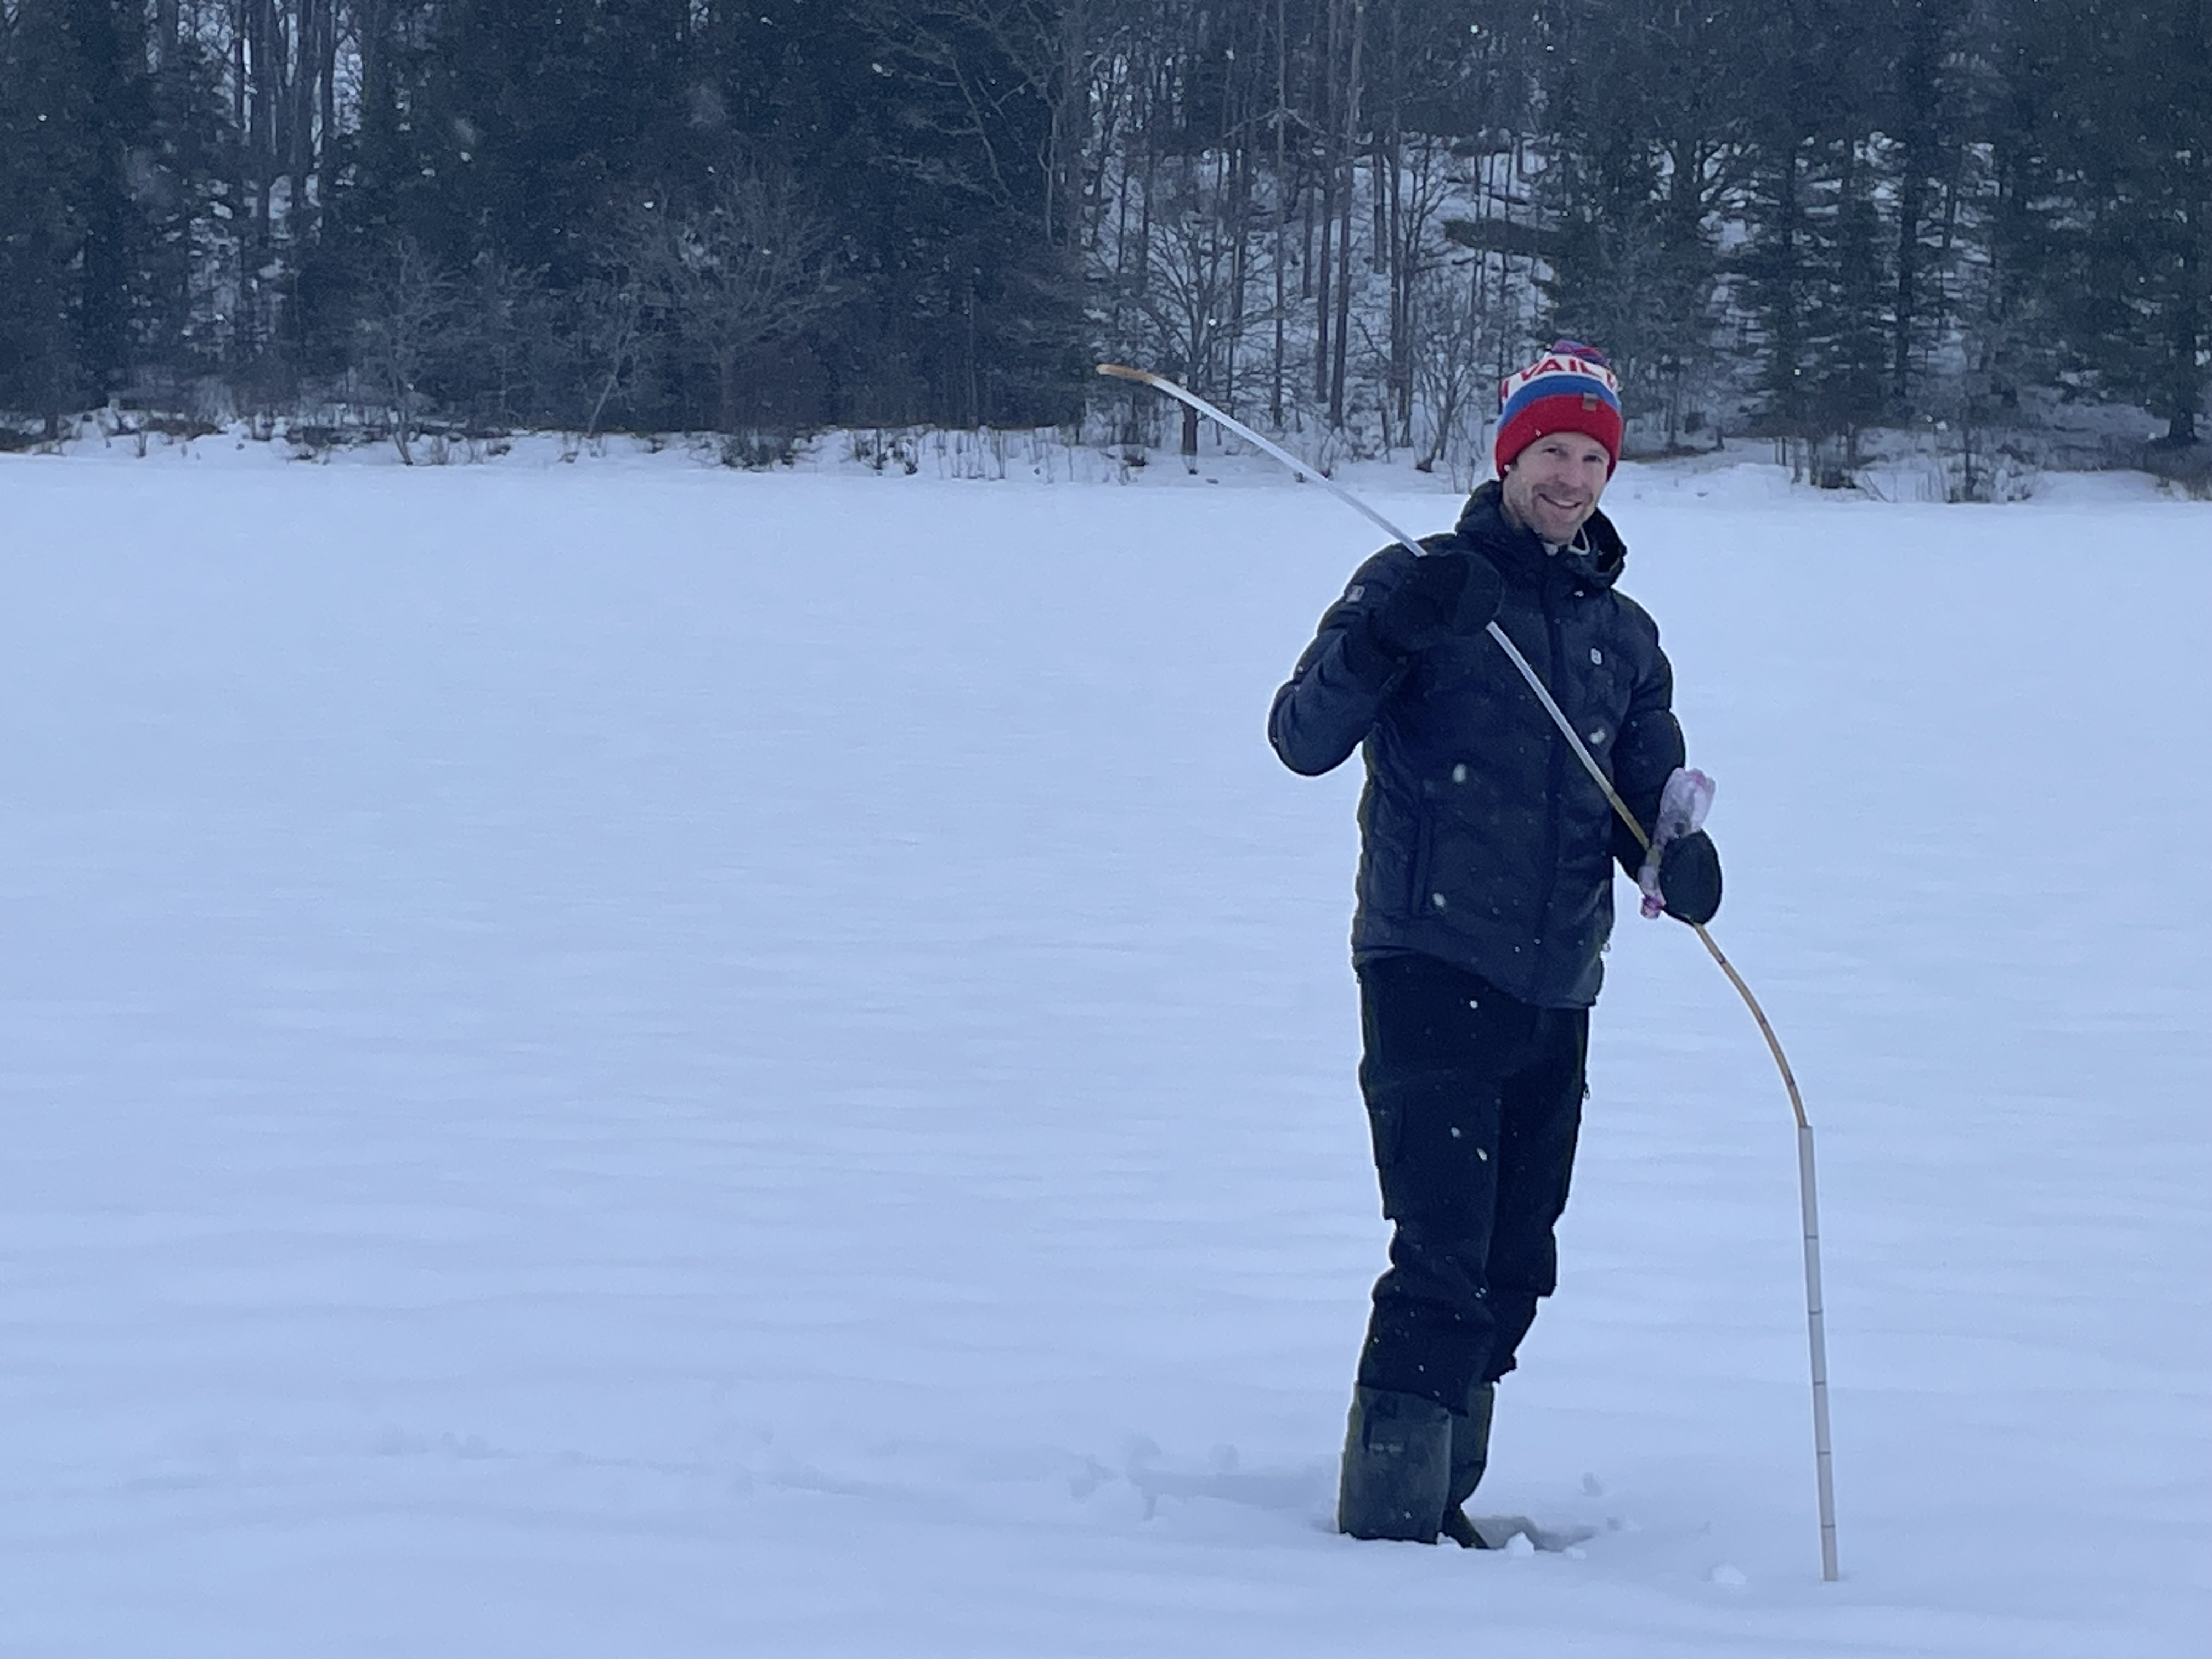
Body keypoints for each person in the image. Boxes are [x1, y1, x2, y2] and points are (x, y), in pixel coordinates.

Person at [1267, 342, 1723, 1545]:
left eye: (1593, 457)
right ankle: (1391, 1523)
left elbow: (1644, 796)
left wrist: (1678, 858)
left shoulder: (1624, 635)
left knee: (1518, 1264)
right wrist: (1396, 632)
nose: (1572, 478)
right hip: (1428, 962)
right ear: (1507, 456)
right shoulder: (1416, 581)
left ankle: (1443, 1495)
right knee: (1443, 1254)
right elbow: (1301, 736)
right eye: (1551, 452)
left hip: (1558, 981)